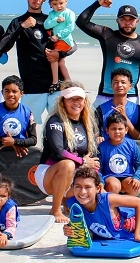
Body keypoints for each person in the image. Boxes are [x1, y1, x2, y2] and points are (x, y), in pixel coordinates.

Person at [0, 0, 65, 132]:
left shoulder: (52, 21)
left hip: (55, 85)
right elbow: (2, 47)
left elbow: (71, 44)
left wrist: (59, 53)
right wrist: (21, 28)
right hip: (32, 86)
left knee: (60, 128)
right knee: (27, 129)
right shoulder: (18, 22)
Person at [33, 81, 100, 223]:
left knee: (94, 174)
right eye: (71, 99)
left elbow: (90, 154)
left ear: (84, 101)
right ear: (63, 101)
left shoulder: (87, 122)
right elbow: (58, 151)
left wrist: (90, 165)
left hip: (74, 172)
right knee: (68, 164)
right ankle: (55, 208)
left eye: (79, 99)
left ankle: (68, 201)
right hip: (49, 173)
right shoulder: (55, 121)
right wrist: (82, 161)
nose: (76, 102)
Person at [76, 0, 140, 113]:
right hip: (105, 95)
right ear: (117, 21)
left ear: (137, 21)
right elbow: (81, 22)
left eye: (131, 20)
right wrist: (97, 4)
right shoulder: (107, 35)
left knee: (127, 130)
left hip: (130, 97)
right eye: (123, 19)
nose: (127, 23)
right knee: (94, 129)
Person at [0, 75, 37, 158]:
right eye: (7, 91)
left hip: (20, 156)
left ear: (21, 93)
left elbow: (33, 139)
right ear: (2, 92)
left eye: (14, 91)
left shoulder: (27, 112)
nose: (10, 94)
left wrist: (15, 142)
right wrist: (6, 141)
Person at [99, 112, 140, 196]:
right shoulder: (102, 147)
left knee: (134, 187)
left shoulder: (132, 145)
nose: (117, 132)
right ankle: (112, 205)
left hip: (127, 177)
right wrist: (101, 183)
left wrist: (137, 177)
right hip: (110, 178)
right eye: (113, 129)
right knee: (114, 185)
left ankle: (128, 206)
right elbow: (97, 168)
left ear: (126, 130)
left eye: (120, 129)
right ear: (107, 130)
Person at [43, 0, 76, 94]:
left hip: (65, 40)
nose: (59, 6)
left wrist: (58, 36)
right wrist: (56, 20)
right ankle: (68, 81)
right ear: (50, 4)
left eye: (61, 3)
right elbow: (46, 25)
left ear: (66, 0)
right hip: (56, 41)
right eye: (55, 4)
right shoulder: (52, 14)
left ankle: (55, 81)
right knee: (61, 63)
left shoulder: (69, 13)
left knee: (53, 58)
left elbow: (70, 27)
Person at [94, 68, 140, 141]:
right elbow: (95, 135)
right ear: (111, 85)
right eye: (116, 82)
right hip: (108, 150)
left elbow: (139, 137)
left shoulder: (136, 109)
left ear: (130, 86)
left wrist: (125, 117)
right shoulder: (100, 109)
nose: (119, 85)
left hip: (128, 150)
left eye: (123, 82)